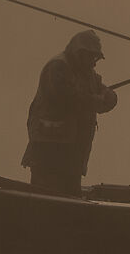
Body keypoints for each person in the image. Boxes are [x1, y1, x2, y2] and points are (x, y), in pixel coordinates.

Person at [22, 28, 119, 196]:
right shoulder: (58, 67)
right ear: (80, 53)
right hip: (49, 152)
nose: (94, 62)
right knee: (45, 198)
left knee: (69, 198)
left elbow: (105, 94)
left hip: (73, 155)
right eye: (92, 57)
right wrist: (95, 100)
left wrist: (110, 97)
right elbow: (65, 97)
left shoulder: (88, 73)